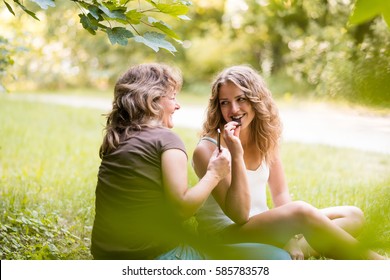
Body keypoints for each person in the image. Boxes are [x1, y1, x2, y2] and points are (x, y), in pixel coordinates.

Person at [90, 63, 291, 260]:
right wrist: (214, 174)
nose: (178, 105)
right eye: (173, 97)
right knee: (279, 258)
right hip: (157, 256)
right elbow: (182, 209)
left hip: (104, 256)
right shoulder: (167, 140)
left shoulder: (117, 139)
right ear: (153, 100)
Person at [192, 65, 386, 260]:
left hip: (261, 226)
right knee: (301, 211)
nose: (233, 109)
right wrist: (236, 154)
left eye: (241, 99)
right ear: (218, 106)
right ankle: (378, 264)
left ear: (255, 100)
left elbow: (280, 193)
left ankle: (292, 250)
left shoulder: (264, 139)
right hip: (226, 234)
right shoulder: (208, 150)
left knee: (352, 215)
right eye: (225, 102)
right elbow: (239, 215)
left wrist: (290, 236)